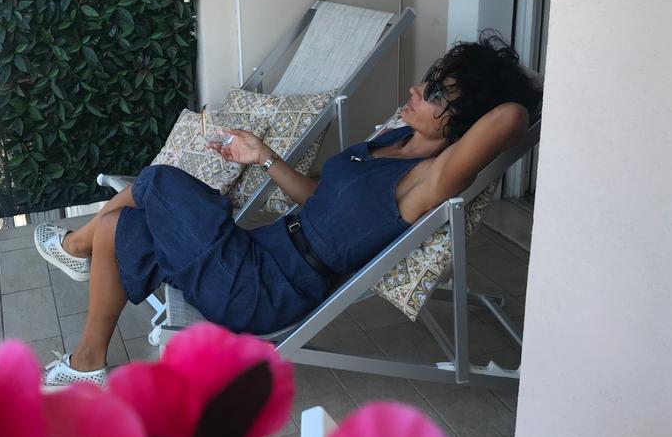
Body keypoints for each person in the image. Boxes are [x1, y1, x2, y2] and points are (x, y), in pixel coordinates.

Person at [34, 35, 541, 386]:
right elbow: (319, 198)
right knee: (120, 225)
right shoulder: (394, 140)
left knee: (159, 182)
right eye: (428, 79)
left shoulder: (426, 181)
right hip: (257, 252)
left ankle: (74, 247)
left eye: (434, 93)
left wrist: (507, 88)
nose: (415, 90)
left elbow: (511, 116)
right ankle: (87, 363)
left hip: (267, 290)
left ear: (464, 122)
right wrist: (263, 156)